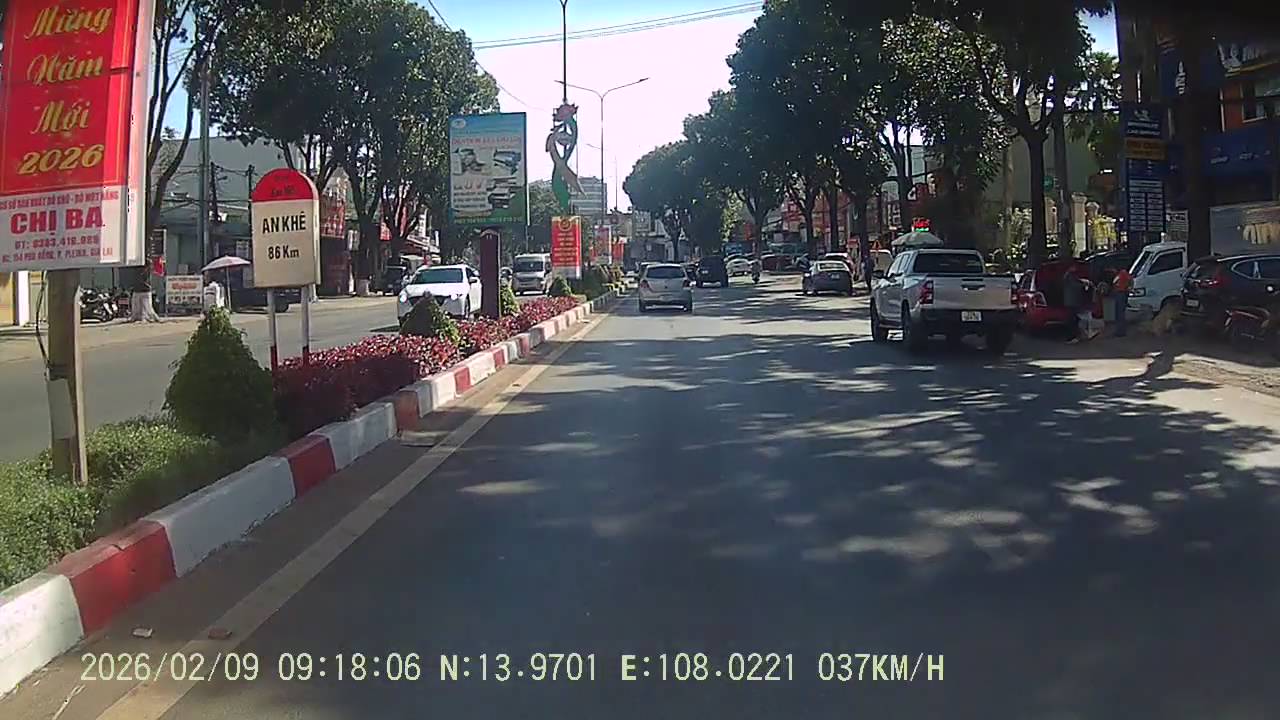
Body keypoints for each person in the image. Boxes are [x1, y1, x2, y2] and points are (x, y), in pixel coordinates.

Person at [1063, 269, 1086, 343]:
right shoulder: (1069, 276)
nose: (1075, 268)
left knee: (1074, 319)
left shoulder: (1069, 276)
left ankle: (1075, 336)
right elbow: (1074, 286)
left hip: (1072, 302)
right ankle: (1072, 337)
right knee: (1072, 320)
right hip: (1072, 302)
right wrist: (1083, 285)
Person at [1111, 266, 1132, 337]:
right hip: (1118, 293)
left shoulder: (1123, 273)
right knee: (1118, 313)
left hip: (1121, 293)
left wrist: (1128, 288)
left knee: (1120, 313)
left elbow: (1130, 280)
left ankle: (1121, 331)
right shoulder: (1118, 275)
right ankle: (1119, 330)